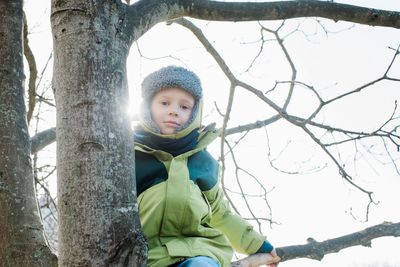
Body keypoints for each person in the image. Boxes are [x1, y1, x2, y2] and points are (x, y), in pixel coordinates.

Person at [134, 66, 278, 267]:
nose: (174, 111)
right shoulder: (130, 155)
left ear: (195, 113)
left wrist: (256, 244)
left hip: (198, 253)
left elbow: (221, 213)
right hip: (145, 257)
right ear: (148, 107)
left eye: (184, 107)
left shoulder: (202, 163)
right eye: (164, 103)